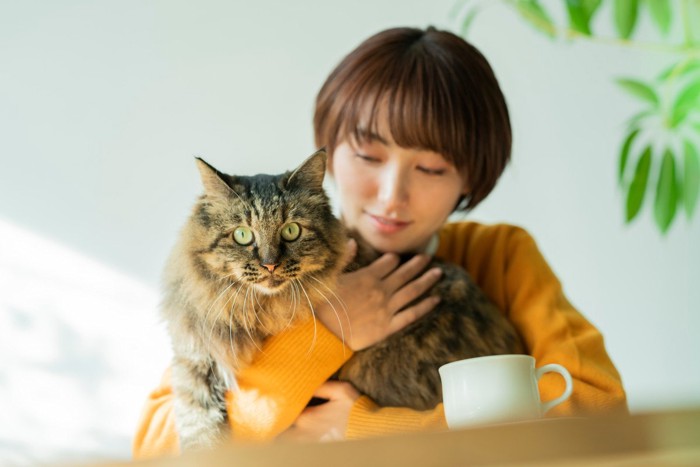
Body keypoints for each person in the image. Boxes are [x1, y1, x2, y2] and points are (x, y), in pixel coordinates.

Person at [132, 26, 627, 458]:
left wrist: (364, 427)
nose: (392, 196)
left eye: (430, 168)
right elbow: (157, 447)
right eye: (369, 156)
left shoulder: (500, 254)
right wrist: (328, 328)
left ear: (471, 178)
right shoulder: (246, 278)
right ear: (329, 154)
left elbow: (599, 414)